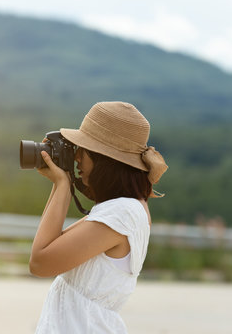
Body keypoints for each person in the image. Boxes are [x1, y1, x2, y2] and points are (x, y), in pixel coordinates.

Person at [30, 101, 168, 333]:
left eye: (84, 150)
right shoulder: (127, 209)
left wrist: (63, 184)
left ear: (105, 159)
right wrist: (60, 182)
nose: (77, 159)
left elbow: (40, 262)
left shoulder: (123, 214)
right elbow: (53, 246)